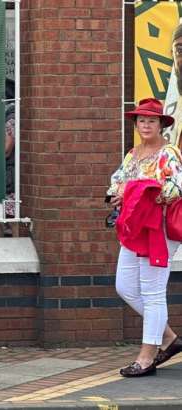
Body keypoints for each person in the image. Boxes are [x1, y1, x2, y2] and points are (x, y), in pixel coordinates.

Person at [108, 98, 182, 377]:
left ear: (162, 124)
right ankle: (170, 338)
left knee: (152, 292)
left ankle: (147, 356)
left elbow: (175, 187)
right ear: (135, 125)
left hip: (159, 228)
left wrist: (137, 190)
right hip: (134, 228)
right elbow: (117, 180)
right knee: (125, 286)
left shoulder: (169, 153)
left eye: (151, 120)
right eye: (141, 120)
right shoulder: (133, 154)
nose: (146, 124)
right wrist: (118, 193)